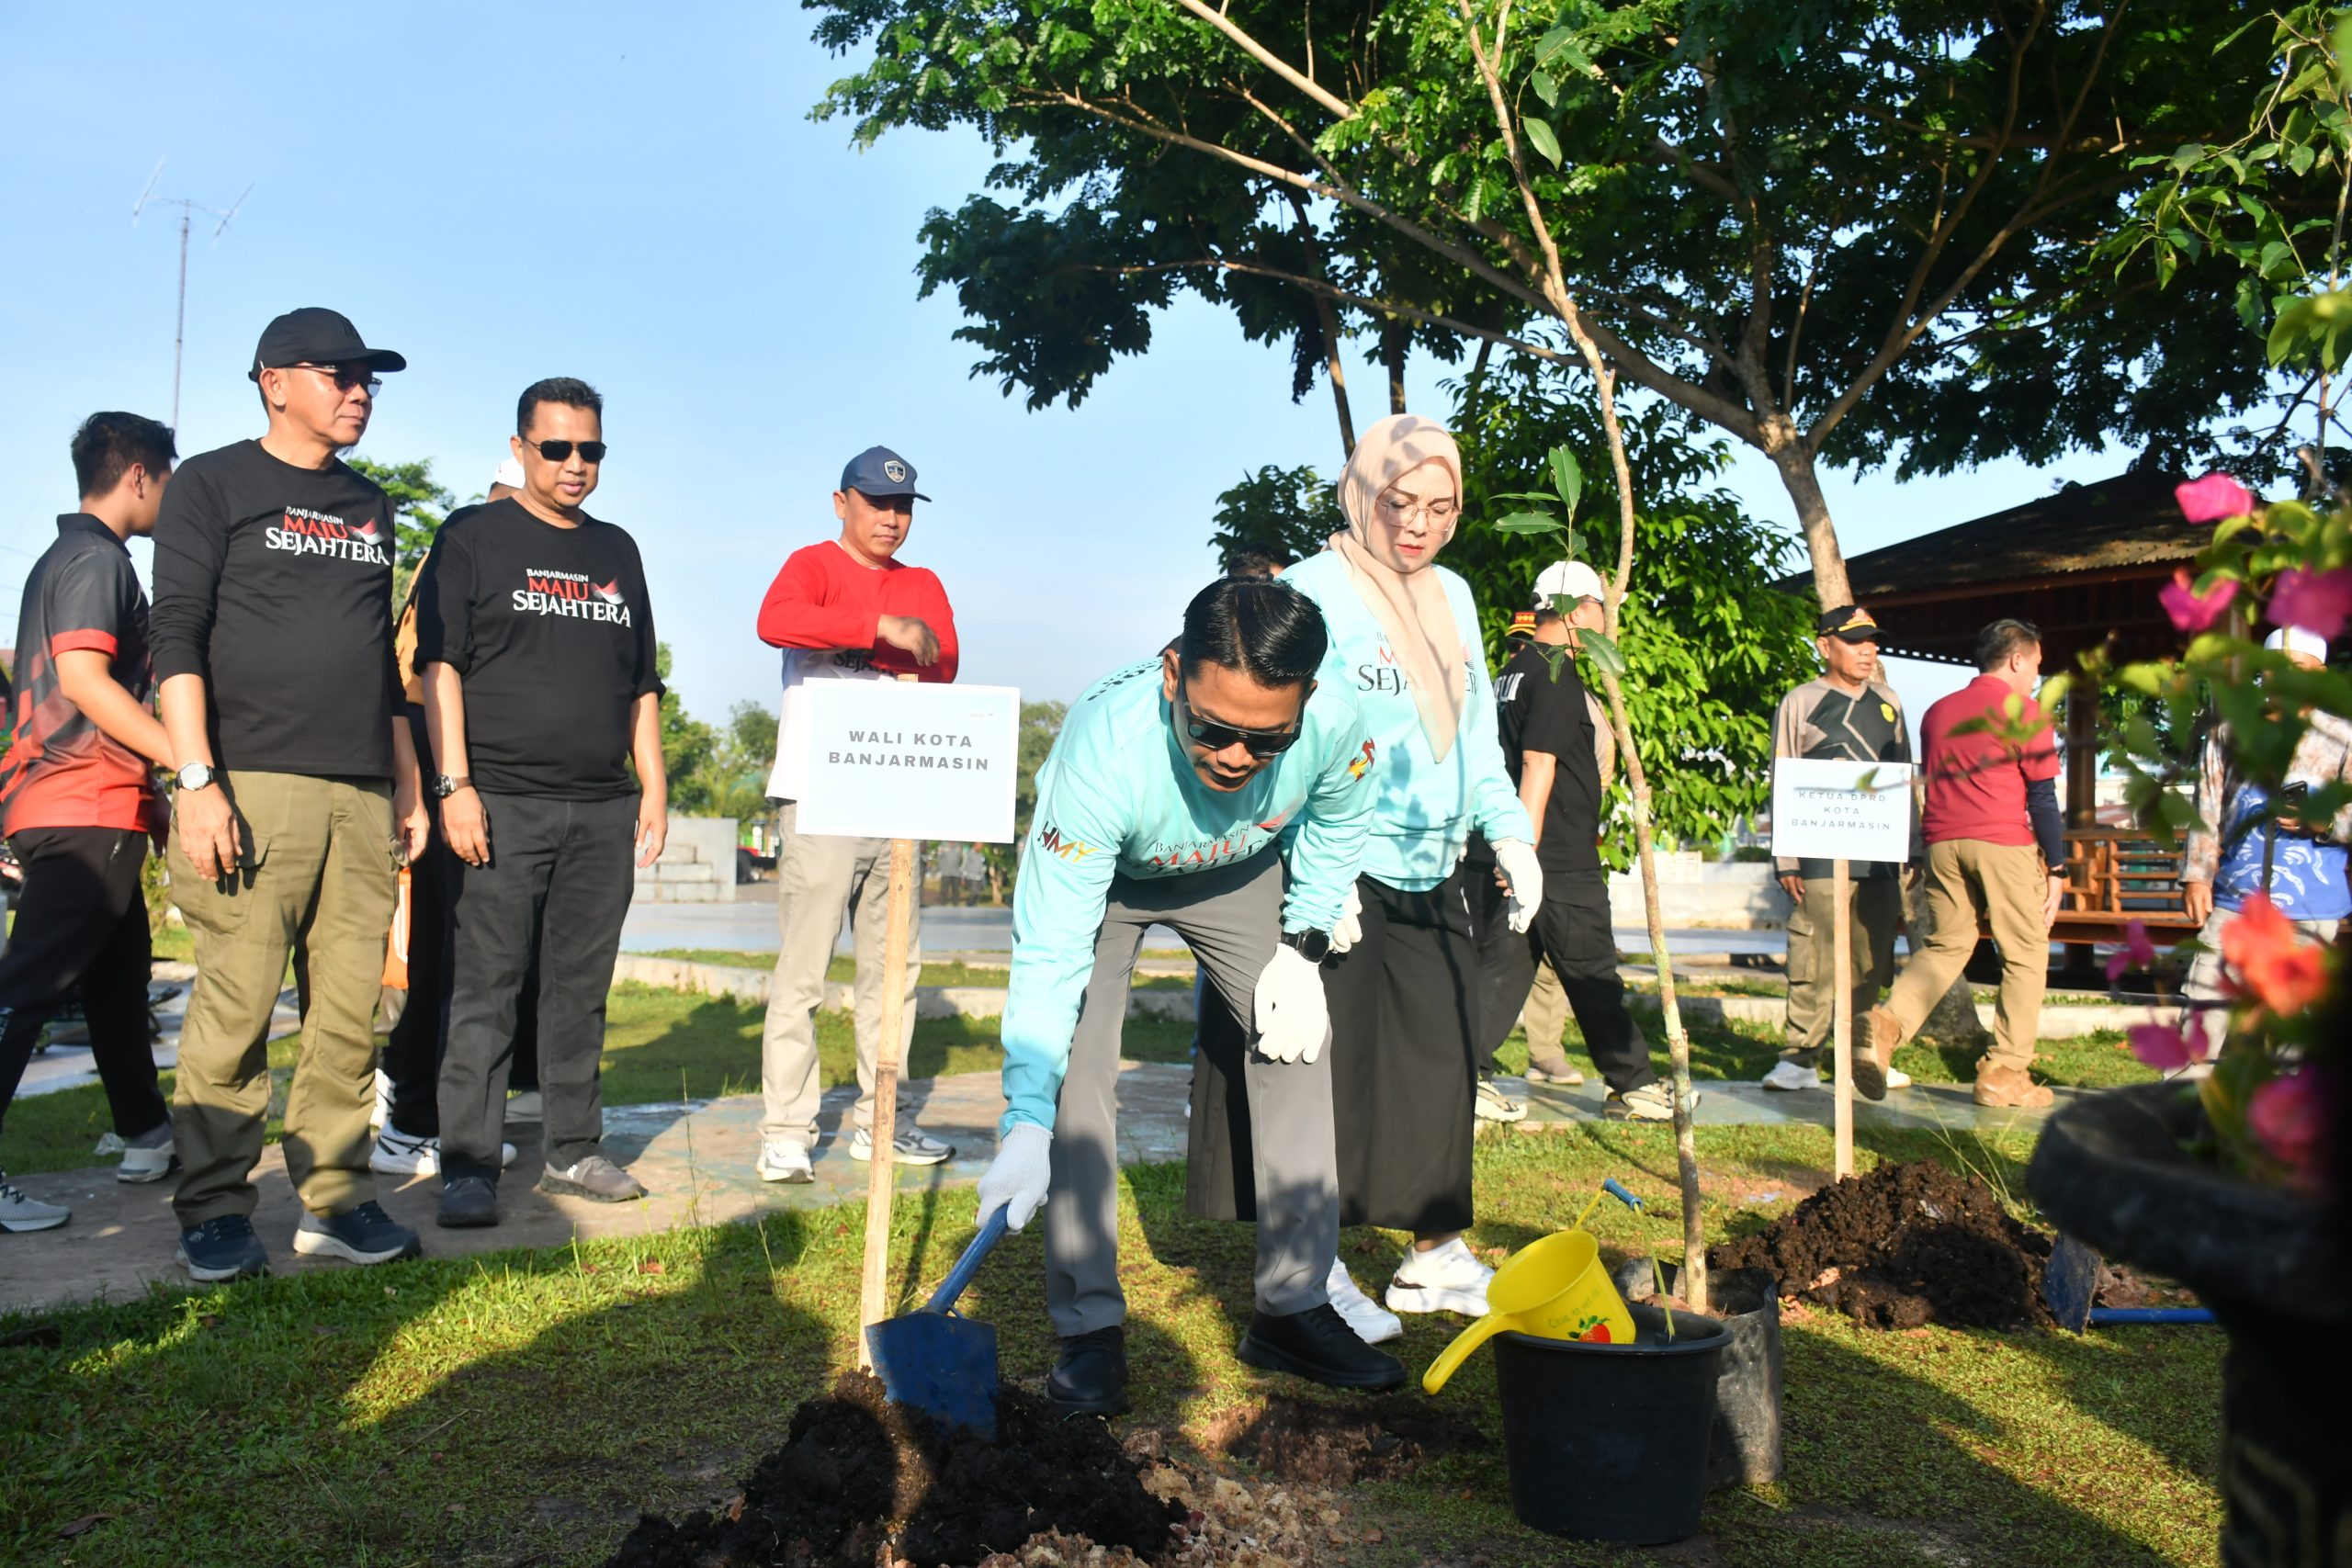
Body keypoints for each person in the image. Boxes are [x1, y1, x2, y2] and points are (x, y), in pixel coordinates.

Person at [975, 576, 1404, 1413]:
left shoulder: (1337, 719)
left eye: (1266, 740)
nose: (1237, 757)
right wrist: (1026, 1115)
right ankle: (1088, 1327)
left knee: (1295, 1043)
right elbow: (1054, 952)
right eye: (1212, 729)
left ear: (1306, 701)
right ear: (1174, 673)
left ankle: (1293, 1303)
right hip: (1112, 877)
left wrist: (1304, 941)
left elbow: (1341, 812)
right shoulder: (1104, 753)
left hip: (1237, 868)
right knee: (1075, 1076)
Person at [151, 307, 430, 1281]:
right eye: (339, 374)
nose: (359, 391)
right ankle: (217, 1205)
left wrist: (408, 783)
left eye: (369, 379)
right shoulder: (210, 484)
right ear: (275, 380)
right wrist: (195, 780)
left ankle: (336, 1196)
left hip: (360, 791)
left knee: (351, 1011)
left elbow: (379, 663)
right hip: (251, 783)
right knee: (236, 1006)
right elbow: (175, 634)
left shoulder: (370, 503)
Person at [1271, 412, 1543, 1322]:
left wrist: (1508, 832)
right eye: (1399, 502)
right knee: (1331, 1072)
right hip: (1338, 866)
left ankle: (1434, 1253)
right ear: (1362, 494)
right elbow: (1285, 739)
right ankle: (1317, 1266)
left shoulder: (1452, 597)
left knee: (1439, 1058)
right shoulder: (1309, 591)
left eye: (1440, 506)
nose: (1417, 524)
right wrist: (1318, 870)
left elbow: (1473, 738)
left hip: (1434, 864)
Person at [414, 378, 667, 1227]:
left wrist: (654, 786)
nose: (573, 464)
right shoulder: (473, 536)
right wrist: (453, 785)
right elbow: (438, 665)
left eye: (589, 449)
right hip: (501, 802)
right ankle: (469, 1163)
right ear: (520, 448)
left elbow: (641, 684)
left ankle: (573, 1149)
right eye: (556, 447)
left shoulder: (619, 550)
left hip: (601, 807)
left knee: (579, 987)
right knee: (486, 985)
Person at [752, 446, 959, 1183]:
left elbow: (943, 655)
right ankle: (785, 1128)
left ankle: (884, 1121)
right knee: (804, 969)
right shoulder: (810, 565)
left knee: (893, 972)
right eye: (876, 502)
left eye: (903, 507)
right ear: (842, 502)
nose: (891, 518)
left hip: (898, 796)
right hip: (820, 793)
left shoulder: (923, 582)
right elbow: (776, 620)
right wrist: (880, 629)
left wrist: (882, 630)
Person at [0, 413, 182, 1232]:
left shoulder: (58, 558)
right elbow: (82, 678)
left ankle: (146, 1133)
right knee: (22, 992)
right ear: (139, 474)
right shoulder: (97, 560)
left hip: (68, 805)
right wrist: (187, 757)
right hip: (86, 804)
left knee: (116, 981)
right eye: (168, 478)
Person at [372, 457, 532, 1177]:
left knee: (462, 956)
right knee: (440, 954)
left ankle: (423, 1103)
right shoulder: (466, 546)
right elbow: (425, 676)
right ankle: (411, 1117)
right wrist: (440, 785)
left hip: (456, 763)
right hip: (438, 764)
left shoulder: (465, 548)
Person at [1473, 585, 1679, 1121]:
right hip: (1552, 853)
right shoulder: (1555, 673)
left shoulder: (1509, 674)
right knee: (1591, 970)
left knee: (1504, 968)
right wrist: (1523, 852)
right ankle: (1634, 1085)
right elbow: (1538, 765)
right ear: (1573, 609)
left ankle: (1466, 1075)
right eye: (1600, 608)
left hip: (1522, 847)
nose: (1606, 620)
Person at [1863, 618, 2065, 1109]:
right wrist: (2057, 868)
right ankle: (2005, 1072)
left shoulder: (1938, 712)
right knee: (2025, 952)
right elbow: (2041, 797)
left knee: (1947, 945)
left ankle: (1884, 1027)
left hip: (1942, 843)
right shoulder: (2025, 711)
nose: (2038, 672)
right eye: (2036, 662)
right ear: (2017, 659)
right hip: (2001, 842)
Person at [1762, 605, 1921, 1093]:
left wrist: (1911, 849)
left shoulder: (1889, 701)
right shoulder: (1801, 701)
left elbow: (1904, 776)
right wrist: (1785, 857)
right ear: (1824, 645)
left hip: (1877, 854)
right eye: (1855, 641)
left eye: (1873, 640)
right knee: (1813, 953)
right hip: (1816, 850)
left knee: (1871, 955)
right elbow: (1782, 773)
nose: (1868, 650)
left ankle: (1863, 1055)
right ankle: (1800, 1057)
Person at [2177, 626, 2351, 1029]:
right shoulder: (2229, 734)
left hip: (2311, 907)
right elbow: (2206, 807)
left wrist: (2323, 821)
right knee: (2203, 1008)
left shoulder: (2343, 738)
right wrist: (2197, 876)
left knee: (2296, 1025)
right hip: (2236, 902)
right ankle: (2182, 1092)